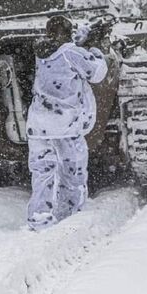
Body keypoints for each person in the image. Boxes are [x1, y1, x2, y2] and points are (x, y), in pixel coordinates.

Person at [25, 15, 108, 230]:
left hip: (38, 125)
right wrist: (96, 51)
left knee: (42, 173)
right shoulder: (72, 53)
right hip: (65, 125)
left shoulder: (40, 52)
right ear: (67, 33)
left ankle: (40, 217)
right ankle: (70, 216)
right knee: (72, 172)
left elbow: (60, 52)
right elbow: (97, 73)